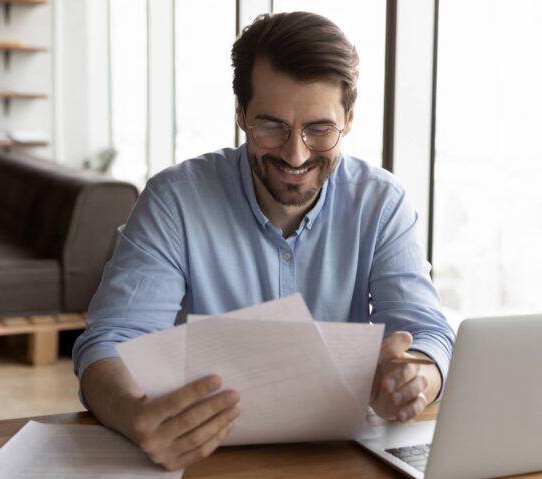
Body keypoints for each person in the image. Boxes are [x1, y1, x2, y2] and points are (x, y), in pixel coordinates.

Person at [73, 11, 455, 471]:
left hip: (338, 461)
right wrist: (136, 416)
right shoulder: (176, 199)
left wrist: (416, 375)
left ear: (349, 120)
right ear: (241, 114)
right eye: (271, 126)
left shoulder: (381, 201)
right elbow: (111, 341)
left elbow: (428, 333)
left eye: (319, 129)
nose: (295, 154)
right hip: (205, 457)